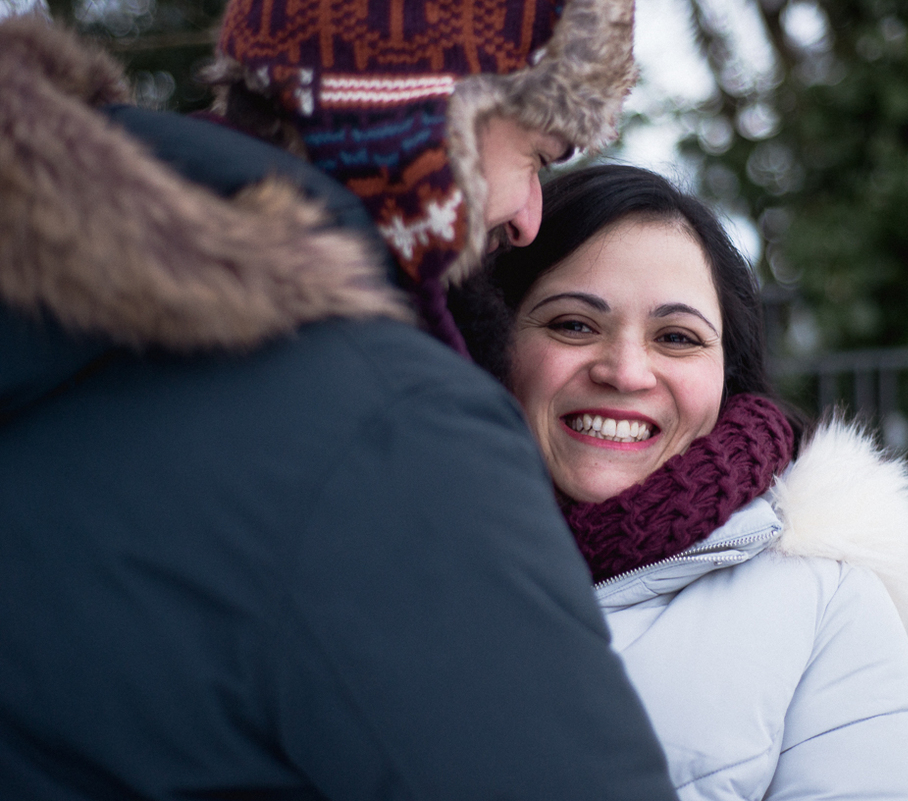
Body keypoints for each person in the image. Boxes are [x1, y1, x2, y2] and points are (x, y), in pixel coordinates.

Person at [0, 9, 682, 801]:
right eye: (535, 154)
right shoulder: (391, 425)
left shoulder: (45, 323)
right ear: (430, 113)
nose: (531, 216)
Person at [455, 164, 908, 800]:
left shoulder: (825, 604)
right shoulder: (377, 557)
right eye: (574, 325)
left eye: (677, 337)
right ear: (494, 338)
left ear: (728, 374)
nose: (627, 372)